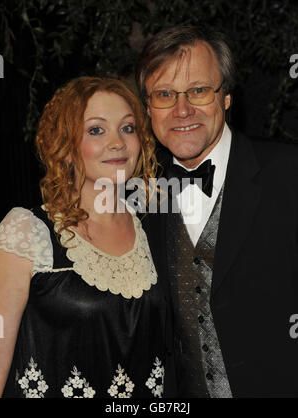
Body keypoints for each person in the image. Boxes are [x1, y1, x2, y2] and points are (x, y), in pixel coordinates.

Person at [136, 25, 298, 398]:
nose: (182, 110)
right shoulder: (137, 196)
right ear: (147, 107)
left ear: (225, 97)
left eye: (198, 90)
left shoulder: (289, 175)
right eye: (164, 94)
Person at [0, 76, 176, 398]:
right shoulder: (26, 230)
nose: (118, 142)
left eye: (128, 128)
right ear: (66, 148)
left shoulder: (155, 229)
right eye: (96, 130)